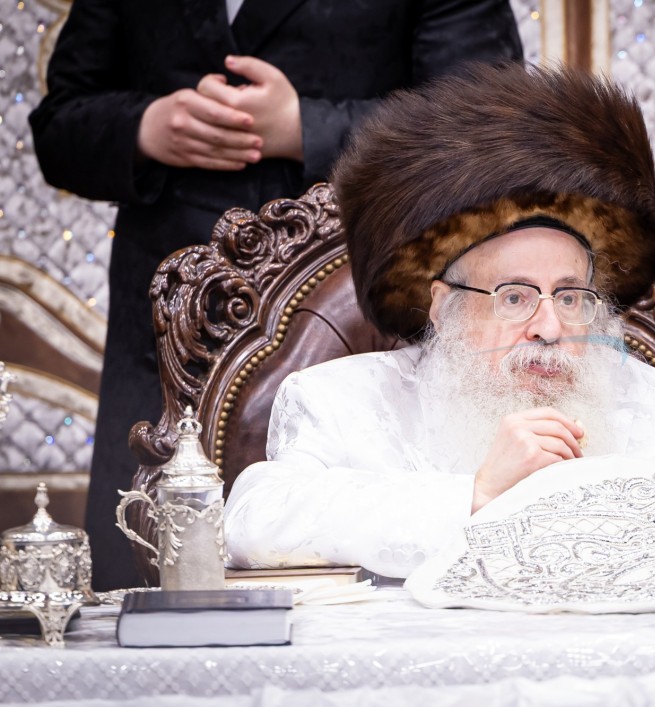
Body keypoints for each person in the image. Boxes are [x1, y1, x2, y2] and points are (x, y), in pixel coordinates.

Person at [29, 0, 523, 591]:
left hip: (363, 314)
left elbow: (485, 121)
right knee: (132, 578)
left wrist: (305, 127)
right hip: (165, 329)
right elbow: (59, 125)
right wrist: (145, 127)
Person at [224, 63, 655, 579]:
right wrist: (477, 494)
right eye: (515, 297)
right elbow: (254, 526)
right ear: (443, 305)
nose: (549, 328)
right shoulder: (339, 402)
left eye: (569, 297)